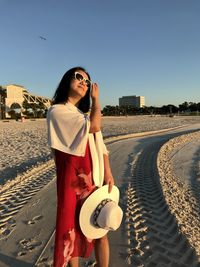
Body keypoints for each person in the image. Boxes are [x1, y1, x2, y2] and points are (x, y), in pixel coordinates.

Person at [46, 66, 115, 267]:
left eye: (87, 80)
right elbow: (95, 126)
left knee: (101, 228)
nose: (84, 82)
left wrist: (108, 172)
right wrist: (96, 101)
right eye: (79, 77)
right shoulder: (57, 111)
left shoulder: (81, 114)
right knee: (72, 233)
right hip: (72, 183)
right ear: (67, 80)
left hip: (96, 177)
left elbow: (101, 145)